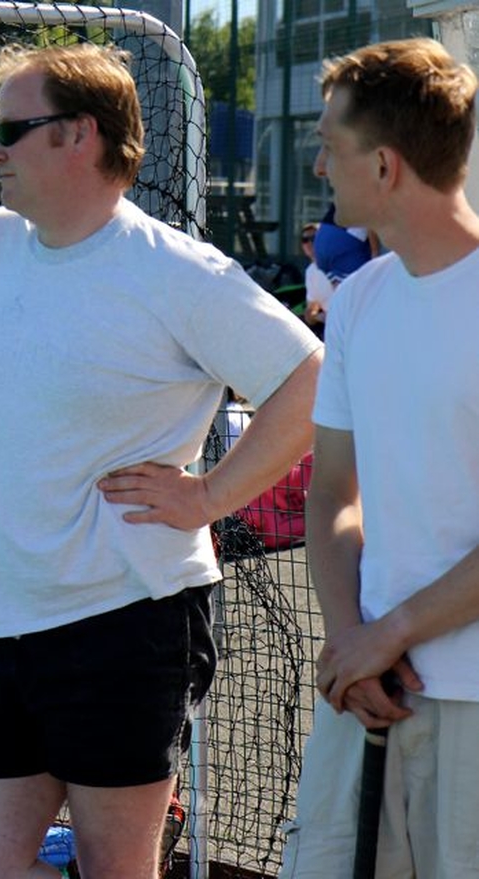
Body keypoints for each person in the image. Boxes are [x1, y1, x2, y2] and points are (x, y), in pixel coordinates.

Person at [0, 42, 322, 879]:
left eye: (11, 129)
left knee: (118, 868)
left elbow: (311, 378)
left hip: (127, 620)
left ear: (80, 136)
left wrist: (210, 494)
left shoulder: (173, 271)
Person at [279, 37, 479, 878]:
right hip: (365, 696)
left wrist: (383, 635)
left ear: (387, 166)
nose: (320, 165)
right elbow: (331, 494)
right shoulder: (357, 302)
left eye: (329, 143)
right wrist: (351, 641)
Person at [299, 222, 333, 334]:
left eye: (313, 238)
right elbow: (312, 309)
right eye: (305, 240)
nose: (309, 243)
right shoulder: (310, 271)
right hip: (329, 328)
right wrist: (313, 316)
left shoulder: (337, 265)